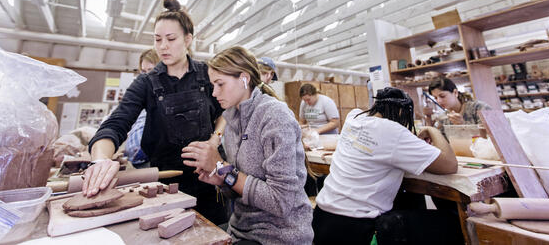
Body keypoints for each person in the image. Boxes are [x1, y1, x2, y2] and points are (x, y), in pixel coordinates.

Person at [83, 0, 227, 224]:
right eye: (157, 39)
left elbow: (225, 113)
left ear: (188, 39)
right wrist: (100, 162)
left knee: (216, 231)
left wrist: (214, 141)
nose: (162, 46)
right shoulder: (146, 83)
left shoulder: (207, 74)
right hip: (166, 184)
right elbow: (115, 124)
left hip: (211, 178)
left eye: (171, 38)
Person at [182, 46, 313, 245]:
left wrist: (222, 169)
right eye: (212, 85)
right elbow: (239, 185)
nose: (215, 93)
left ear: (244, 78)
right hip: (242, 229)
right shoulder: (232, 119)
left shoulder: (274, 116)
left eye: (220, 84)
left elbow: (281, 201)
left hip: (278, 235)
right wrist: (220, 180)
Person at [312, 87, 459, 245]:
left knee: (408, 203)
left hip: (321, 221)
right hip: (356, 230)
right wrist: (431, 130)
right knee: (452, 223)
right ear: (402, 113)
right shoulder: (393, 130)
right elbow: (450, 165)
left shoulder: (354, 116)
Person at [125, 48, 159, 168]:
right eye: (143, 71)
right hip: (134, 161)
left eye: (151, 70)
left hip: (153, 162)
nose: (146, 76)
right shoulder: (140, 96)